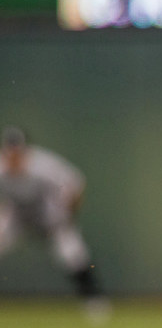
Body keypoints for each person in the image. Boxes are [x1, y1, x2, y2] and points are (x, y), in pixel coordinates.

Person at [0, 126, 108, 314]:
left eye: (17, 152)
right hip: (16, 215)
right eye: (10, 152)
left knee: (72, 252)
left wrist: (68, 215)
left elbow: (75, 183)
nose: (14, 157)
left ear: (25, 150)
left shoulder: (42, 164)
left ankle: (95, 303)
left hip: (48, 215)